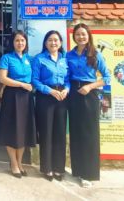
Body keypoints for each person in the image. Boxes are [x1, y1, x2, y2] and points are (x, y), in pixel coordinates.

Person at [66, 23, 108, 188]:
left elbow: (107, 78)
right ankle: (77, 170)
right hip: (73, 94)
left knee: (89, 134)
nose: (81, 37)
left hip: (89, 94)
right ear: (74, 37)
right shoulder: (69, 55)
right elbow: (67, 75)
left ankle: (88, 174)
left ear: (88, 36)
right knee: (76, 132)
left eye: (83, 34)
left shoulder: (95, 54)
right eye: (78, 34)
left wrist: (90, 87)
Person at [31, 30, 70, 181]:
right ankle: (47, 168)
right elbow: (35, 80)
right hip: (45, 97)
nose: (53, 43)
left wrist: (67, 89)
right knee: (46, 132)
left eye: (56, 40)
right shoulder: (39, 59)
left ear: (60, 43)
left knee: (60, 133)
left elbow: (68, 79)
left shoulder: (65, 59)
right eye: (50, 40)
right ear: (45, 43)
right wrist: (50, 91)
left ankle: (59, 168)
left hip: (62, 97)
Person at [0, 31, 36, 178]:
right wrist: (21, 84)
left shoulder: (29, 59)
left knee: (23, 130)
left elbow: (35, 77)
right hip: (11, 97)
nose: (20, 43)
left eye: (22, 40)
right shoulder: (6, 58)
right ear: (12, 43)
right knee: (11, 130)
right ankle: (13, 163)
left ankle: (20, 162)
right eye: (17, 40)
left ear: (26, 43)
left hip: (26, 98)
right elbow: (2, 78)